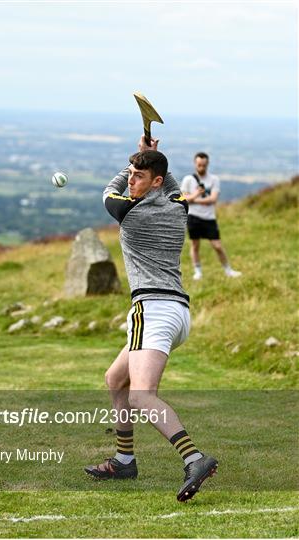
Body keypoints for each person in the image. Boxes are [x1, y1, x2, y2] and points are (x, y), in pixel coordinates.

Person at [84, 136, 218, 502]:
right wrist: (148, 155)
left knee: (142, 395)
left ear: (155, 181)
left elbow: (108, 194)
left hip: (153, 309)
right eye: (131, 175)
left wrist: (130, 163)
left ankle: (194, 458)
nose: (131, 180)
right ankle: (124, 460)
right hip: (176, 312)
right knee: (115, 379)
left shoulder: (131, 211)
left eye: (138, 176)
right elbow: (166, 178)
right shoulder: (178, 205)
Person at [181, 152, 242, 280]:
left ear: (207, 164)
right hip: (193, 217)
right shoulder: (188, 179)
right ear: (195, 164)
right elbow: (184, 199)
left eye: (203, 165)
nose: (201, 168)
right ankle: (198, 272)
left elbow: (213, 199)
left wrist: (193, 199)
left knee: (217, 246)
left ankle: (228, 270)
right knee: (195, 245)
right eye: (199, 165)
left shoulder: (214, 179)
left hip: (209, 218)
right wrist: (197, 194)